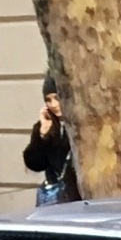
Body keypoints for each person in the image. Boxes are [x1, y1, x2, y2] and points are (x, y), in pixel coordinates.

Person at [24, 76, 77, 204]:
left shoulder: (79, 124)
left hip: (78, 195)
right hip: (58, 196)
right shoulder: (45, 125)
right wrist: (42, 135)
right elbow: (35, 164)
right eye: (48, 100)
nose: (53, 104)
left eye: (57, 98)